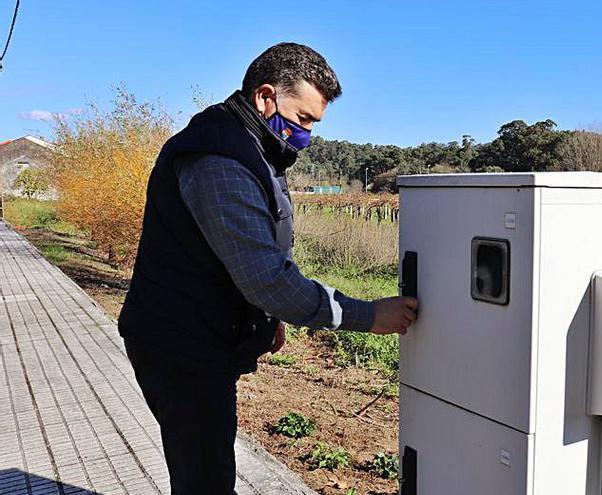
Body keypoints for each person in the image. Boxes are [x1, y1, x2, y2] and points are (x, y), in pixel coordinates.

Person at [117, 42, 418, 494]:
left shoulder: (251, 147)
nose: (307, 135)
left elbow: (253, 256)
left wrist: (268, 317)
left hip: (200, 335)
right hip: (180, 345)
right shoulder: (220, 159)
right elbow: (265, 277)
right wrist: (370, 316)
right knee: (205, 477)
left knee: (207, 463)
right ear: (265, 97)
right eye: (303, 120)